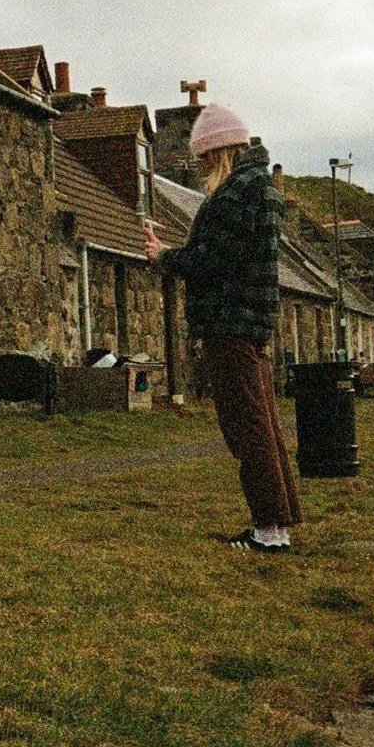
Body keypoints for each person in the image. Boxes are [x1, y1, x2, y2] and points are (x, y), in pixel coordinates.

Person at [147, 106, 302, 552]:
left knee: (246, 426)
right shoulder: (261, 188)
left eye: (205, 160)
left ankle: (269, 530)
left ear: (220, 152)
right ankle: (278, 523)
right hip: (250, 322)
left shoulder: (238, 193)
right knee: (263, 423)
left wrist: (165, 257)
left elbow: (214, 261)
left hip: (228, 323)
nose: (202, 170)